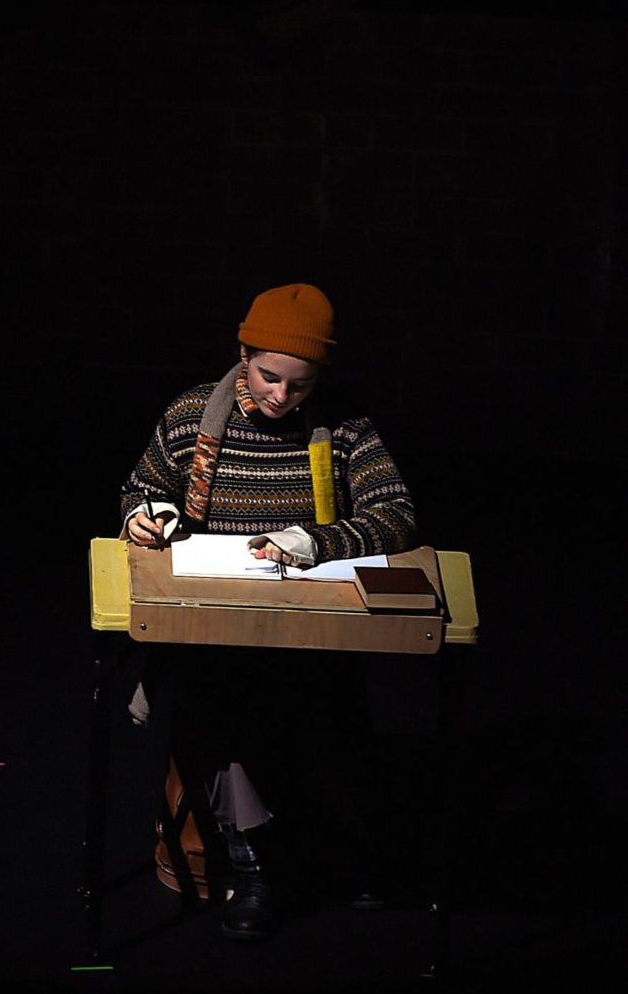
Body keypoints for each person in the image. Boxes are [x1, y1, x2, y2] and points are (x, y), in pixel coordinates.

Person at [119, 283, 417, 940]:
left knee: (322, 707)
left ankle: (350, 846)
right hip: (216, 623)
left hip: (307, 624)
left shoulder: (345, 426)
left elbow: (395, 513)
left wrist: (316, 542)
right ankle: (252, 865)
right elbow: (143, 486)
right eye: (269, 377)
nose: (282, 396)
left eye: (301, 385)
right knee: (218, 706)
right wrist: (146, 514)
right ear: (243, 355)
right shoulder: (193, 414)